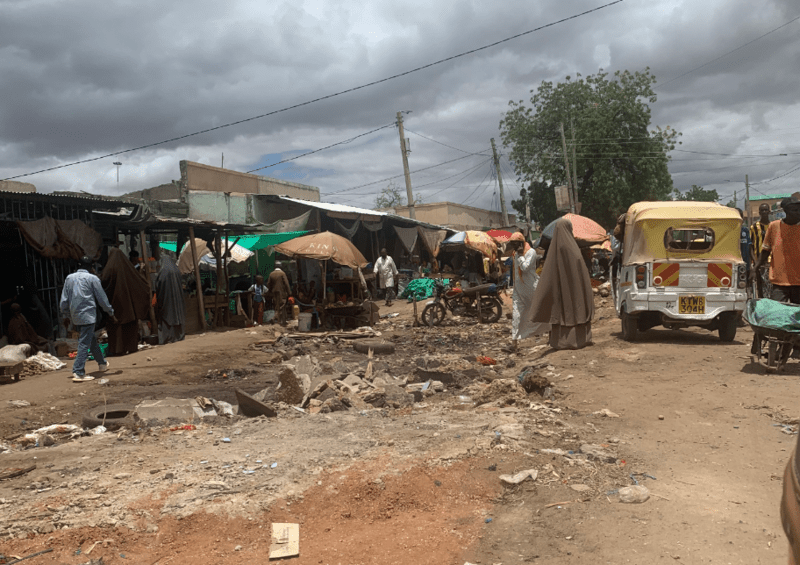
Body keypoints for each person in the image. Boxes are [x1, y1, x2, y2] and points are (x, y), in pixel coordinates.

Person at [528, 219, 594, 350]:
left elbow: (547, 276)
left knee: (561, 311)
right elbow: (582, 275)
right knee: (576, 309)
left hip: (559, 291)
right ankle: (580, 339)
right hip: (576, 291)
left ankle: (562, 341)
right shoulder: (574, 250)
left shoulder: (553, 252)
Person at [60, 256, 117, 382]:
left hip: (75, 315)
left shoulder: (69, 278)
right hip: (88, 315)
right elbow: (102, 298)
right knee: (84, 342)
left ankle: (102, 363)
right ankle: (78, 371)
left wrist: (65, 314)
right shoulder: (93, 278)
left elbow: (64, 299)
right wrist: (110, 312)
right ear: (91, 267)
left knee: (90, 339)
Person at [100, 248, 151, 355]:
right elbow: (142, 283)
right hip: (130, 305)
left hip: (115, 304)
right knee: (130, 326)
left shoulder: (110, 268)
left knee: (116, 327)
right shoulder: (129, 269)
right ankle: (131, 347)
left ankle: (118, 349)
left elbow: (103, 282)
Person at [751, 195, 800, 304]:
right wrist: (755, 268)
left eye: (799, 210)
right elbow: (765, 251)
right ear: (786, 211)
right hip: (779, 282)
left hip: (798, 283)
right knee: (775, 313)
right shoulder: (774, 227)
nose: (798, 212)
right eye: (795, 210)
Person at [507, 233, 550, 352]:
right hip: (518, 289)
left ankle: (551, 332)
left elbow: (525, 268)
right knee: (516, 315)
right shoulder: (515, 253)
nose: (514, 247)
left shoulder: (531, 252)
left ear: (521, 243)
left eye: (516, 244)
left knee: (539, 311)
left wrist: (521, 256)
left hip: (531, 288)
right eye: (513, 244)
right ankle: (514, 343)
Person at [155, 257, 187, 344]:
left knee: (167, 315)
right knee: (177, 314)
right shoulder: (176, 270)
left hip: (167, 298)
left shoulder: (164, 272)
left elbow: (159, 285)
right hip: (177, 298)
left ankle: (168, 337)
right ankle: (178, 335)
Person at [750, 203, 771, 298]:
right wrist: (755, 261)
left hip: (771, 263)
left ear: (769, 211)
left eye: (766, 210)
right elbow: (750, 246)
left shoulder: (773, 226)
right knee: (760, 288)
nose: (764, 212)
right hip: (759, 263)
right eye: (762, 210)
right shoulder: (754, 227)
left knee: (771, 288)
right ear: (759, 212)